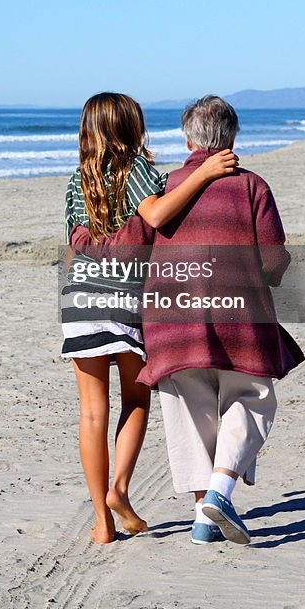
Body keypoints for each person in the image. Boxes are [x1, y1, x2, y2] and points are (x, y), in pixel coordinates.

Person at [70, 95, 304, 546]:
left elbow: (137, 243)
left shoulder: (163, 187)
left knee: (190, 413)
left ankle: (202, 519)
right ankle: (220, 490)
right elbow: (273, 263)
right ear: (232, 137)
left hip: (170, 321)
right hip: (241, 320)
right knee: (251, 399)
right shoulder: (253, 186)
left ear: (186, 138)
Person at [62, 92, 238, 544]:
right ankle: (119, 488)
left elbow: (71, 248)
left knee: (90, 414)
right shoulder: (137, 169)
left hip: (79, 298)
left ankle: (101, 525)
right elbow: (157, 214)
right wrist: (202, 172)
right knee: (135, 401)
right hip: (125, 299)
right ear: (130, 127)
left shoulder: (75, 180)